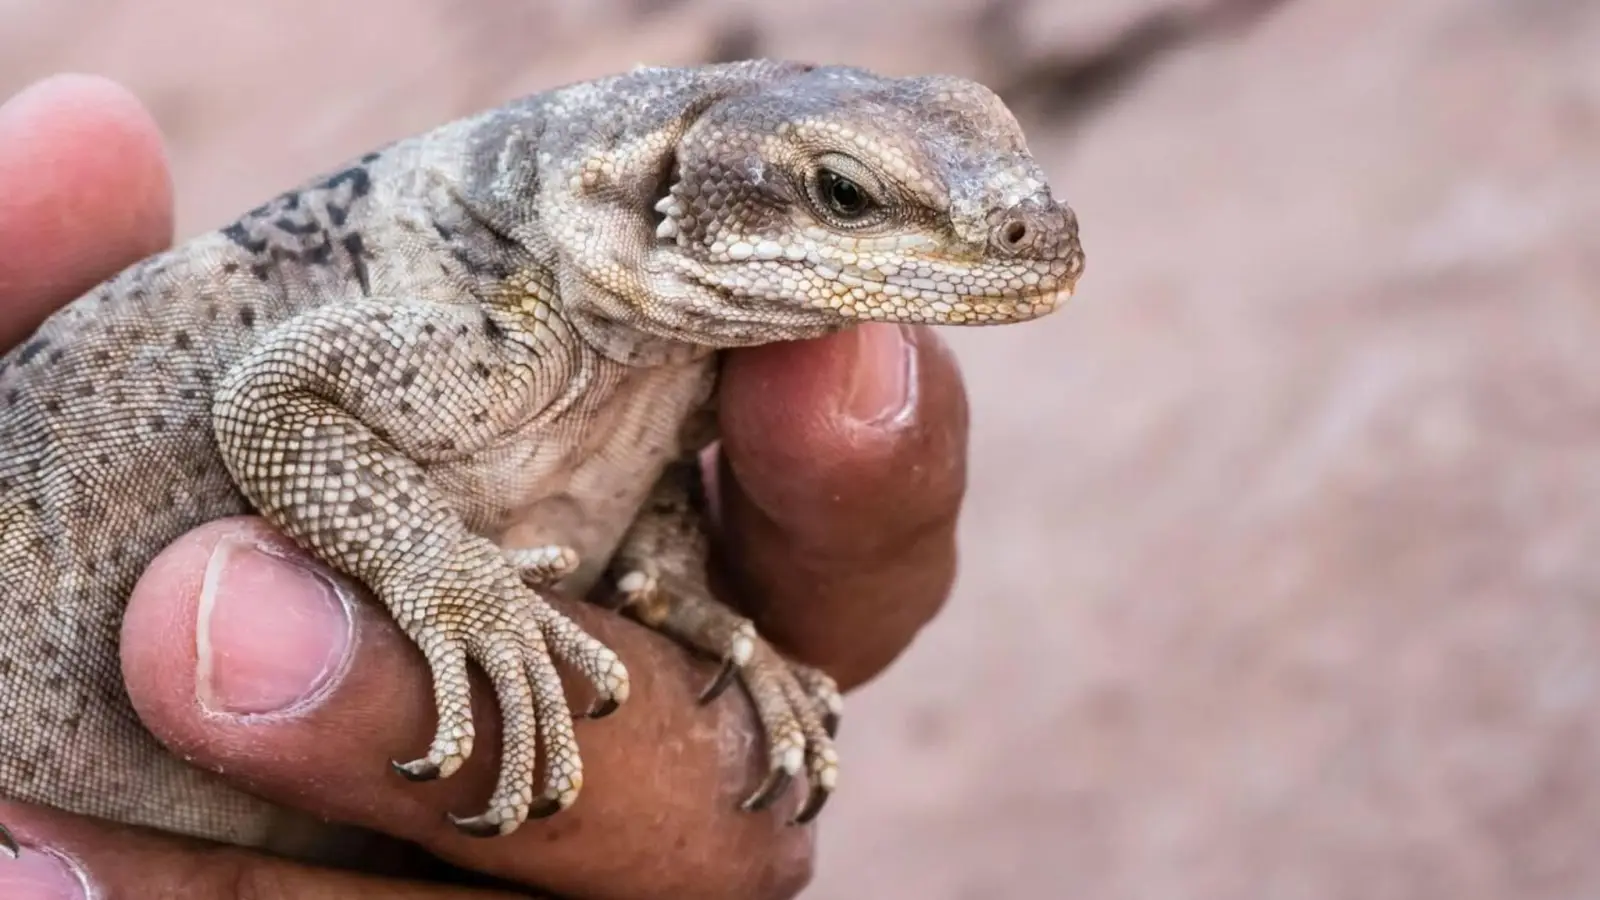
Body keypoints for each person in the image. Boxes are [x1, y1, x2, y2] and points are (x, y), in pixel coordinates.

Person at [0, 73, 972, 899]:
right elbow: (276, 404)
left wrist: (689, 605)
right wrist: (441, 573)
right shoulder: (508, 328)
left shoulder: (646, 348)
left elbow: (648, 475)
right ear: (668, 198)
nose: (1010, 228)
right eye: (843, 195)